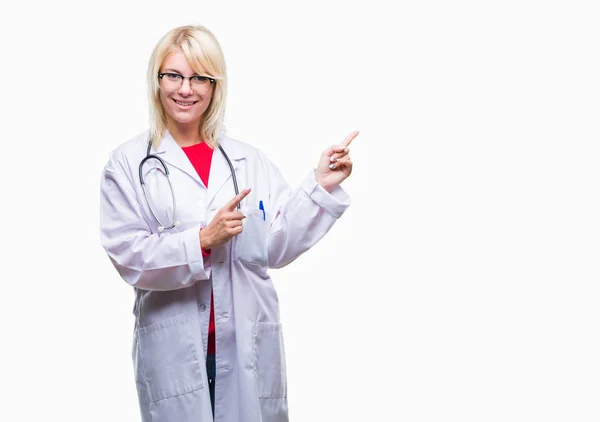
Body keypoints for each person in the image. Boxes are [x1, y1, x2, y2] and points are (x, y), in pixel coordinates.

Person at [99, 24, 358, 422]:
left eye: (199, 77)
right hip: (176, 348)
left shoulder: (247, 160)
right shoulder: (128, 163)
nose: (186, 89)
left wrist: (320, 186)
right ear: (157, 80)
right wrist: (202, 240)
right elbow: (128, 255)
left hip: (243, 344)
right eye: (174, 75)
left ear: (215, 85)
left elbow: (275, 246)